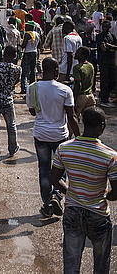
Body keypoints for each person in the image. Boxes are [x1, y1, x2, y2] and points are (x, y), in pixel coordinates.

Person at [51, 107, 117, 274]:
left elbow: (54, 179)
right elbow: (116, 192)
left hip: (73, 211)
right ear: (102, 126)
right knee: (101, 265)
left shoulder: (64, 148)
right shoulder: (110, 155)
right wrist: (106, 195)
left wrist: (71, 192)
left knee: (71, 264)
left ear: (82, 122)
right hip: (98, 215)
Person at [26, 57, 80, 217]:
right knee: (60, 169)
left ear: (43, 69)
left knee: (43, 169)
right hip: (60, 136)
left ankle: (47, 203)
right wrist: (80, 138)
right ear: (57, 71)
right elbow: (71, 117)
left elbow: (32, 111)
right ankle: (57, 195)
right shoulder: (65, 90)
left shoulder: (32, 88)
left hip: (41, 135)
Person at [96, 20, 117, 108]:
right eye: (103, 27)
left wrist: (109, 45)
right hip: (103, 62)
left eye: (107, 27)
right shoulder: (99, 36)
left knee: (112, 80)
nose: (105, 28)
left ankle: (105, 96)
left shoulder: (112, 36)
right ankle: (104, 99)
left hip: (112, 61)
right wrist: (110, 47)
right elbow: (103, 48)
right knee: (104, 80)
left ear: (109, 27)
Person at [72, 46, 95, 121]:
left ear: (82, 55)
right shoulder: (90, 66)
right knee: (89, 121)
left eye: (77, 52)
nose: (75, 53)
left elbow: (78, 84)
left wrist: (74, 100)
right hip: (90, 96)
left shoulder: (77, 68)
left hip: (81, 96)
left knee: (73, 119)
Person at [19, 22, 40, 94]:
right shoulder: (37, 34)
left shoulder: (27, 34)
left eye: (26, 26)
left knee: (24, 71)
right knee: (32, 71)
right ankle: (32, 88)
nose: (25, 27)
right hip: (34, 52)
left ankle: (23, 89)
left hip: (27, 53)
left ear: (30, 27)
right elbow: (39, 44)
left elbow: (24, 45)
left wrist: (19, 45)